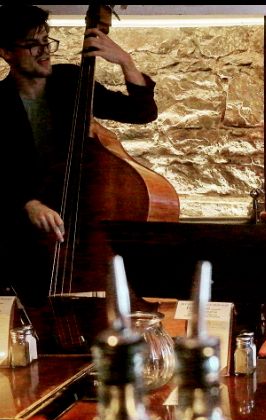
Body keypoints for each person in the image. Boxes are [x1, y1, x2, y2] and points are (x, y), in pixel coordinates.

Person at [0, 5, 158, 306]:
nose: (44, 51)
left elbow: (141, 112)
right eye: (33, 45)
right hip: (25, 237)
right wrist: (28, 202)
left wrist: (125, 61)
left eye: (47, 41)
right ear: (6, 52)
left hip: (81, 226)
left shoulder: (70, 81)